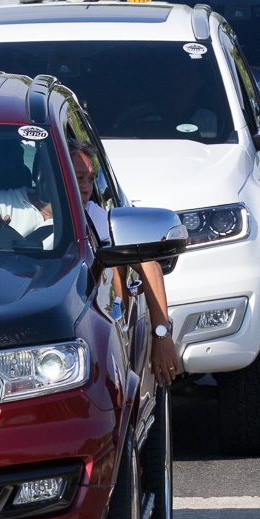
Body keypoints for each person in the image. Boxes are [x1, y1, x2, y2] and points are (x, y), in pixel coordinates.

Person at [71, 142, 179, 388]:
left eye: (91, 179)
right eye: (79, 178)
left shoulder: (96, 218)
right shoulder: (7, 206)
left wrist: (162, 334)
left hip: (89, 337)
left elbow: (148, 263)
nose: (87, 188)